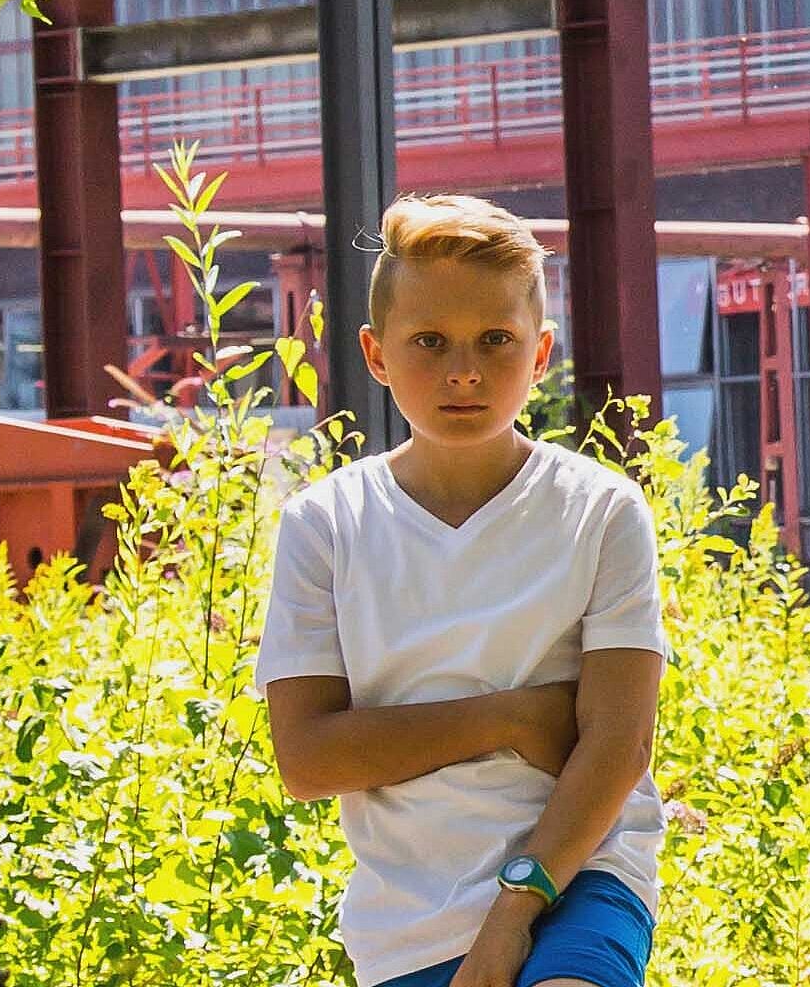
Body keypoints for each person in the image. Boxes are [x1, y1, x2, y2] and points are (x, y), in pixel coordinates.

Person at [260, 195, 668, 987]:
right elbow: (307, 759)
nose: (464, 372)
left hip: (580, 871)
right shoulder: (325, 526)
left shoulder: (602, 512)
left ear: (542, 352)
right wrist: (509, 716)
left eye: (495, 340)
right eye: (430, 342)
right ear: (377, 355)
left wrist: (513, 917)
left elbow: (618, 749)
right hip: (408, 919)